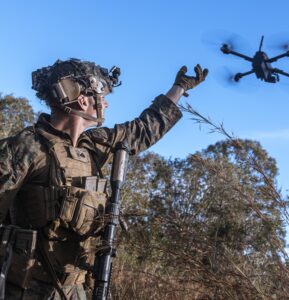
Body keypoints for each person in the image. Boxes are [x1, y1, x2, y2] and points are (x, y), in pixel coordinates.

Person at [0, 58, 208, 299]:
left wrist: (179, 88)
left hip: (77, 290)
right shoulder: (25, 149)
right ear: (83, 99)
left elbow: (143, 129)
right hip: (28, 289)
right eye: (101, 96)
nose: (106, 104)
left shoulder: (94, 145)